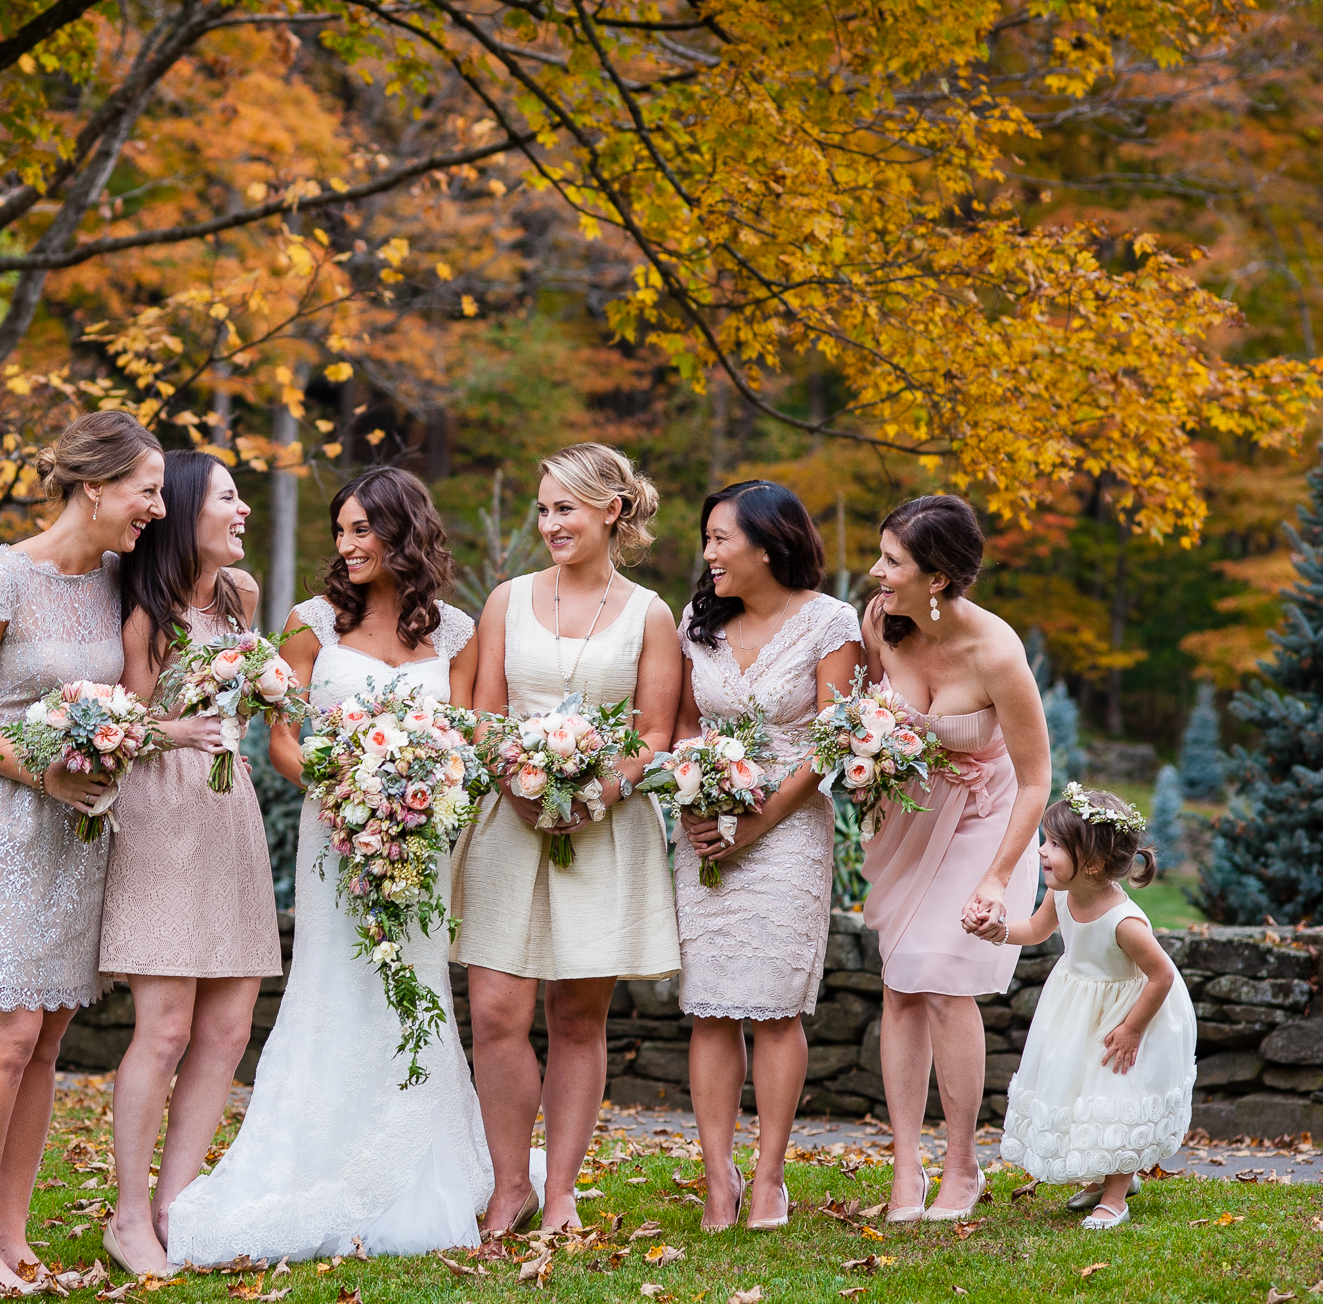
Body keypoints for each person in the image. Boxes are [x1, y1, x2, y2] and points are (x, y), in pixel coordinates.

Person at [163, 465, 492, 1264]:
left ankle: (420, 1160)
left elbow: (472, 736)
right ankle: (310, 1155)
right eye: (339, 531)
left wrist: (414, 800)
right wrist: (350, 794)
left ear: (402, 533)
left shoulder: (457, 632)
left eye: (361, 531)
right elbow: (283, 735)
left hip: (419, 839)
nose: (345, 546)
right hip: (334, 833)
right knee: (331, 978)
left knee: (413, 982)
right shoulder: (311, 621)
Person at [0, 411, 165, 1297]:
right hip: (0, 819)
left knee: (50, 1031)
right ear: (94, 486)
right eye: (146, 491)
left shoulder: (116, 582)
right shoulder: (2, 577)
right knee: (9, 1031)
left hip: (79, 829)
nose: (156, 509)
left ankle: (10, 1235)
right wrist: (40, 773)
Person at [449, 443, 681, 1236]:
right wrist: (515, 778)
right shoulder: (506, 600)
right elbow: (482, 713)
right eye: (543, 509)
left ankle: (564, 1191)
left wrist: (598, 791)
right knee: (496, 1013)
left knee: (579, 1018)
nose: (550, 523)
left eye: (565, 509)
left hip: (605, 831)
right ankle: (509, 1183)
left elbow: (654, 734)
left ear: (611, 512)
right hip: (507, 826)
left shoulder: (650, 612)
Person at [100, 451, 282, 1276]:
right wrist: (177, 730)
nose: (243, 511)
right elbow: (121, 728)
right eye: (229, 499)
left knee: (229, 1026)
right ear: (182, 510)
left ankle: (179, 1206)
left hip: (229, 809)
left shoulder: (241, 599)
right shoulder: (143, 609)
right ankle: (127, 1216)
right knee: (166, 1027)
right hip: (160, 815)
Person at [673, 480, 863, 1232]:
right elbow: (684, 725)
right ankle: (718, 1179)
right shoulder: (698, 620)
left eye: (721, 538)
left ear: (768, 542)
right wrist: (694, 803)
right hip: (706, 830)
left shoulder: (829, 621)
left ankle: (770, 1179)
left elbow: (830, 738)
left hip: (788, 827)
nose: (709, 553)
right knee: (710, 1009)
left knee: (777, 1010)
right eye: (707, 538)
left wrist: (757, 823)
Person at [858, 494, 1050, 1224]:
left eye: (892, 561)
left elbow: (1036, 779)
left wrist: (999, 877)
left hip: (985, 823)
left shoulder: (996, 652)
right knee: (900, 983)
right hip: (910, 821)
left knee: (940, 981)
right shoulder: (883, 623)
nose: (877, 571)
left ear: (937, 578)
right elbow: (873, 720)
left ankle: (962, 1163)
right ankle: (906, 1169)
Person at [979, 785, 1195, 1231]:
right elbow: (1037, 931)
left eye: (1055, 845)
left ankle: (1116, 1196)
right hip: (1077, 1006)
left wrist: (1132, 1029)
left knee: (1116, 1096)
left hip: (1130, 1011)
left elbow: (1162, 976)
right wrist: (997, 931)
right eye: (1046, 840)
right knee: (1083, 1093)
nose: (1042, 851)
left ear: (1092, 864)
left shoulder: (1124, 922)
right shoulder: (1061, 893)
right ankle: (1106, 1180)